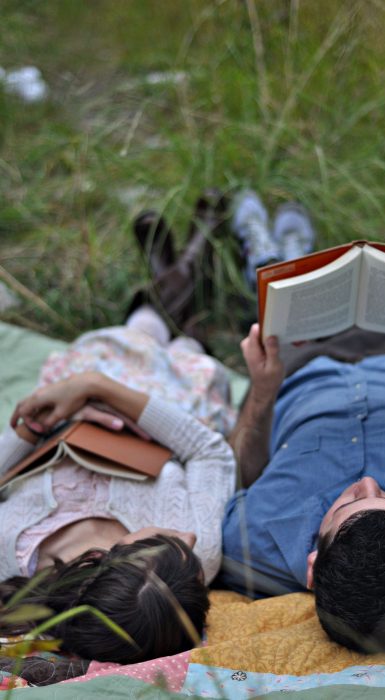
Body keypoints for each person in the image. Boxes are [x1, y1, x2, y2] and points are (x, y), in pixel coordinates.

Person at [221, 192, 385, 653]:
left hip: (298, 360)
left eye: (351, 500)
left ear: (313, 566)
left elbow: (236, 466)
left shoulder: (248, 542)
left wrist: (263, 389)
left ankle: (275, 254)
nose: (370, 481)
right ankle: (293, 250)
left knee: (280, 299)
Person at [0, 198, 236, 664]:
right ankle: (187, 286)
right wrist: (97, 388)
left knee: (123, 347)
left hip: (67, 411)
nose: (189, 539)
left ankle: (178, 290)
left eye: (167, 540)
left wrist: (30, 431)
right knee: (159, 353)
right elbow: (210, 453)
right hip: (170, 415)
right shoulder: (188, 569)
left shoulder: (10, 555)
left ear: (101, 561)